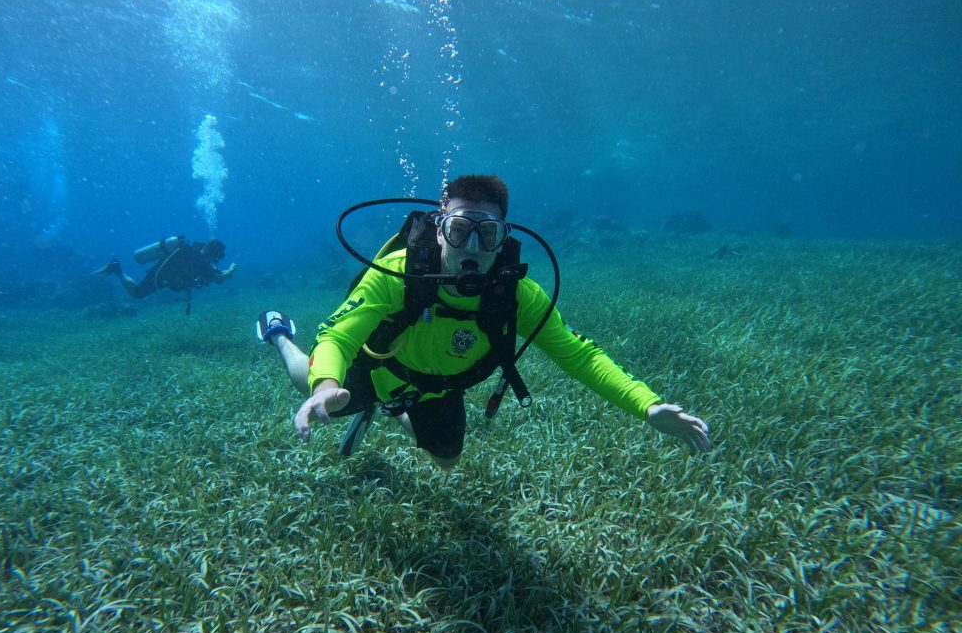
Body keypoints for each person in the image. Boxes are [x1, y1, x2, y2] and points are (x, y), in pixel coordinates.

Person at [258, 174, 710, 470]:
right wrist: (324, 387)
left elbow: (579, 355)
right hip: (377, 366)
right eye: (459, 230)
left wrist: (645, 405)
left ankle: (394, 411)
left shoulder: (516, 295)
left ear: (503, 239)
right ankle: (278, 334)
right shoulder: (397, 273)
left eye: (487, 233)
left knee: (447, 460)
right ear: (439, 230)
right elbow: (338, 335)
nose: (472, 245)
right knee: (311, 385)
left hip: (438, 385)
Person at [95, 236, 236, 300]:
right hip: (161, 276)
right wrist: (232, 269)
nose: (217, 260)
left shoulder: (196, 253)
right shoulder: (200, 261)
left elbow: (212, 273)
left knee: (139, 293)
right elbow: (218, 279)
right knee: (137, 293)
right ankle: (117, 269)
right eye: (217, 256)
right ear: (211, 253)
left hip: (167, 276)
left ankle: (116, 269)